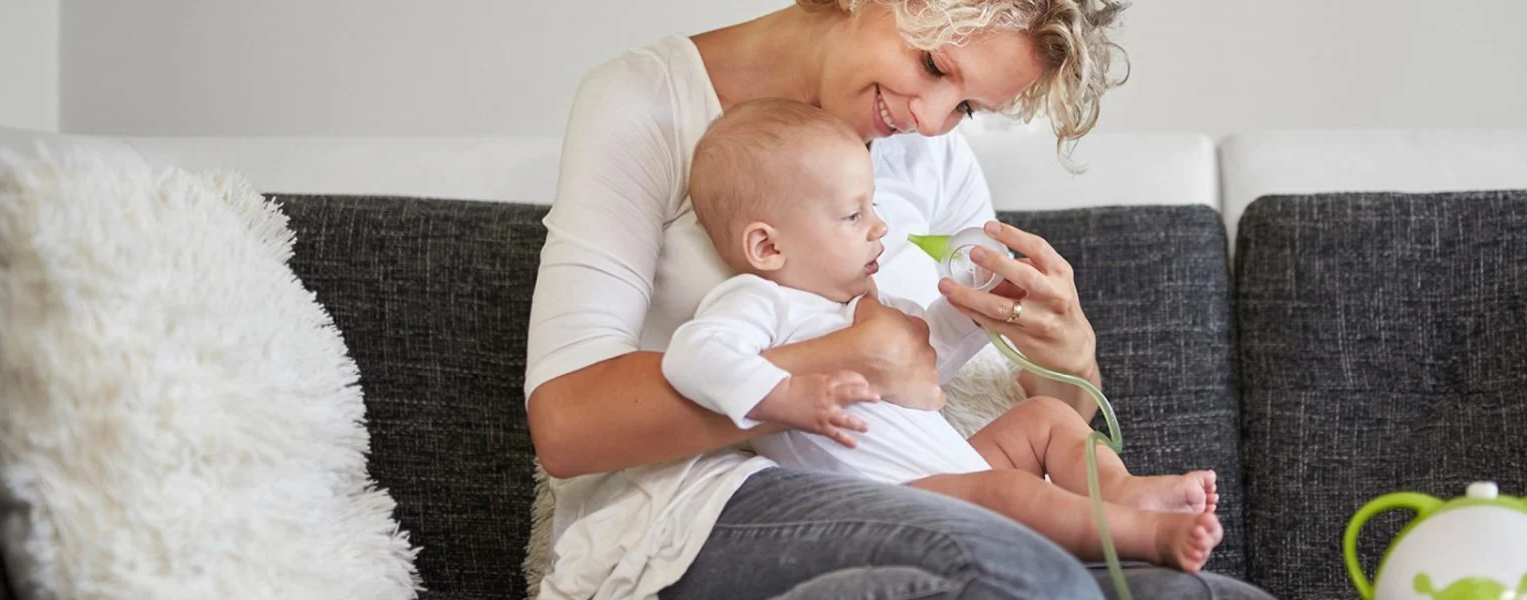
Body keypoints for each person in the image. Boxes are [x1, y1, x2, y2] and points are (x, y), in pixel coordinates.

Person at [524, 1, 1279, 598]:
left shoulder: (934, 150)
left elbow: (977, 381)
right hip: (707, 503)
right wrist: (849, 359)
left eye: (969, 107)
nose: (930, 119)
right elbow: (565, 425)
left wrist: (1066, 358)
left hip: (922, 476)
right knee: (1018, 573)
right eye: (931, 64)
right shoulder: (648, 103)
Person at [662, 98, 1224, 574]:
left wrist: (979, 311)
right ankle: (1142, 536)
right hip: (887, 505)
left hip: (952, 474)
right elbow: (694, 355)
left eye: (874, 205)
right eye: (853, 216)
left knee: (1046, 422)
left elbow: (929, 363)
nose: (880, 227)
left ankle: (1120, 489)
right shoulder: (762, 302)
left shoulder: (866, 303)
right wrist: (783, 394)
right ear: (768, 247)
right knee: (1007, 494)